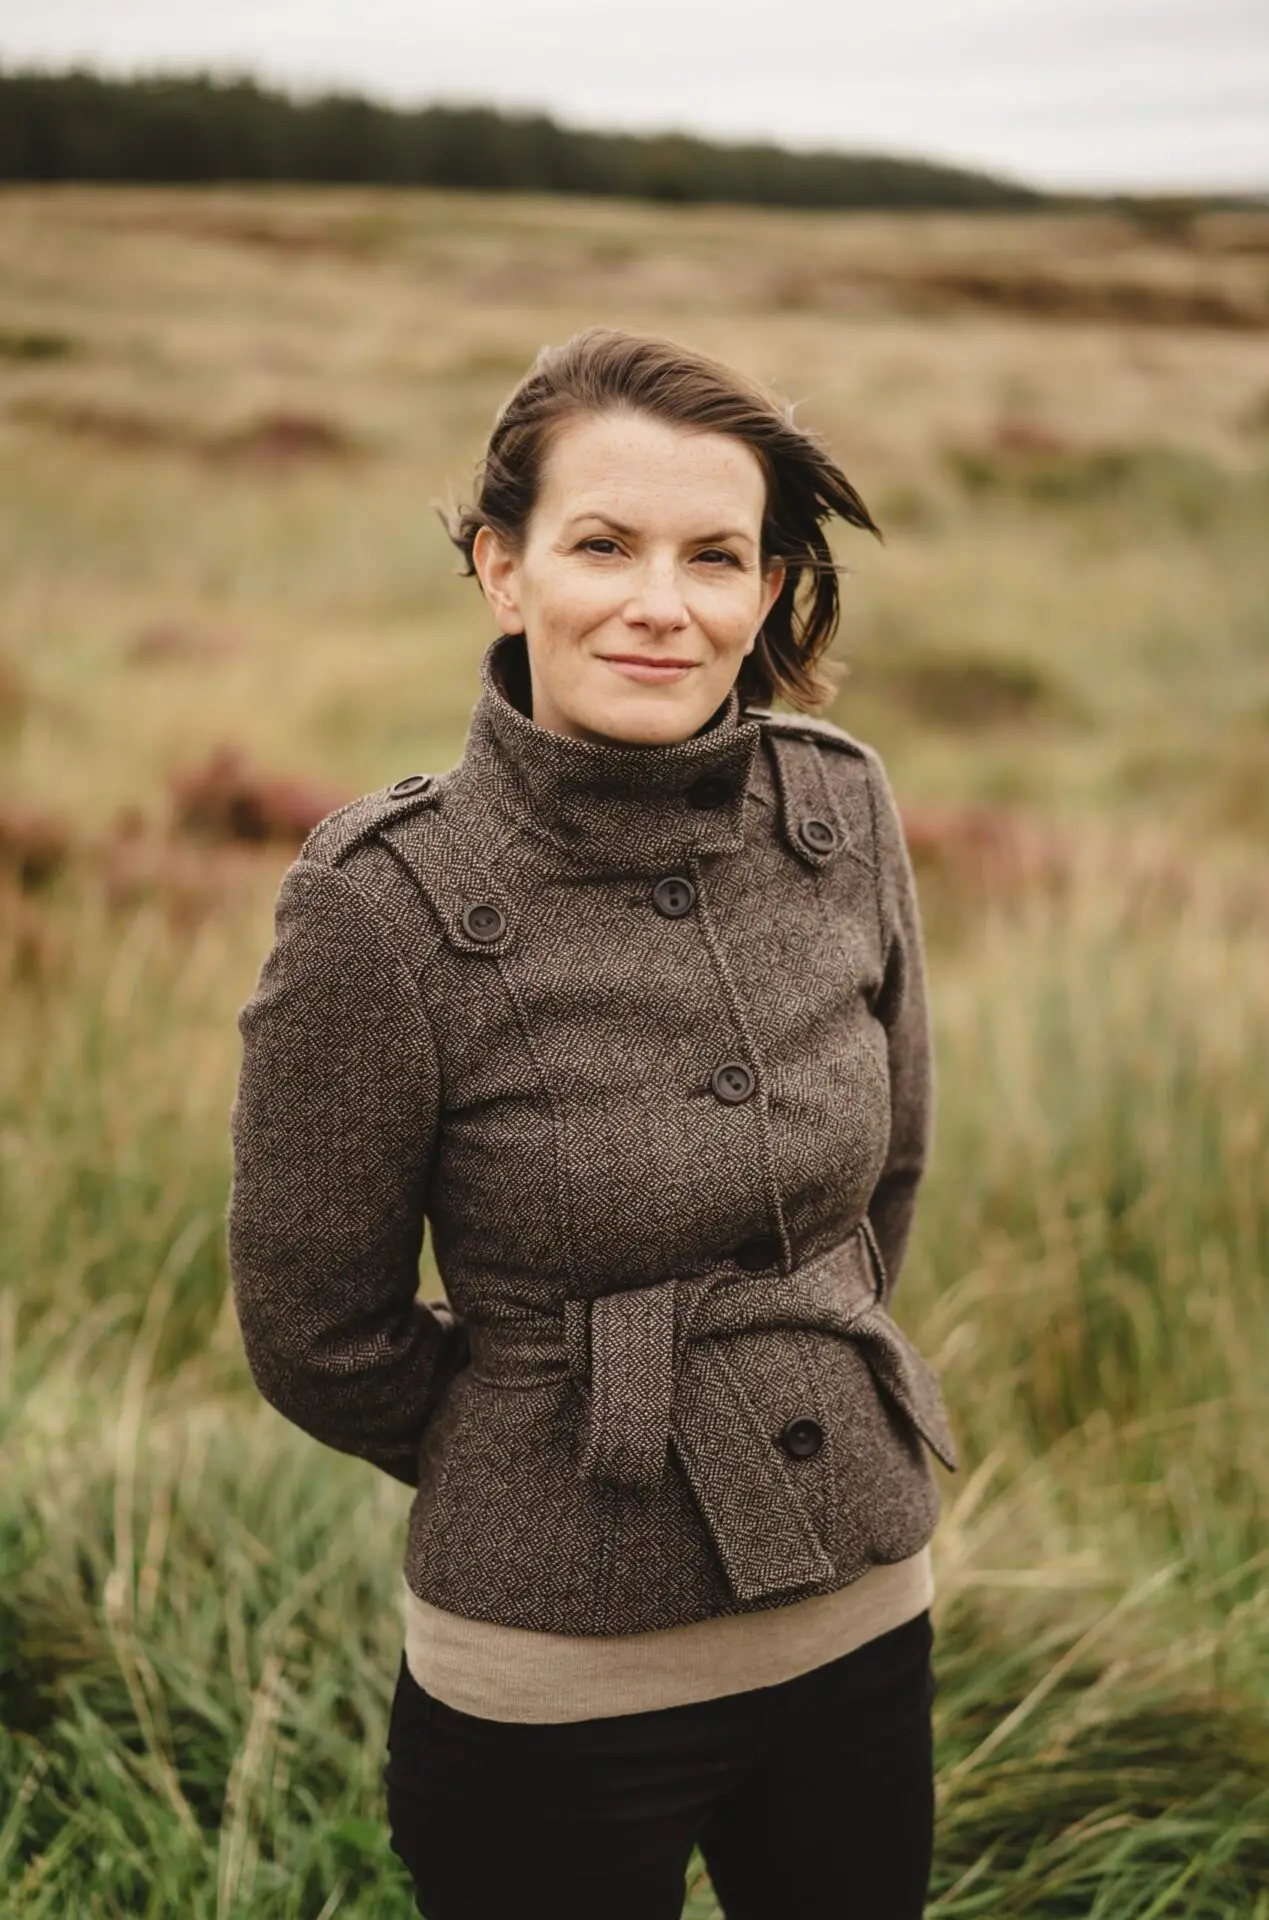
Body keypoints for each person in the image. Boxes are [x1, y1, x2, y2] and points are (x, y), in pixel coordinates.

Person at [226, 326, 959, 1920]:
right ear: (503, 568)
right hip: (550, 1682)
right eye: (602, 545)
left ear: (767, 591)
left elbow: (883, 1178)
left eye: (716, 556)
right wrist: (533, 1441)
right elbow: (314, 1328)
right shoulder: (379, 905)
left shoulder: (844, 809)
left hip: (863, 1613)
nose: (661, 602)